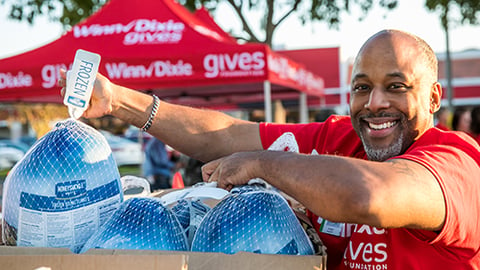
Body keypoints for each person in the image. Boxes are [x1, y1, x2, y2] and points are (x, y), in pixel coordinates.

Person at [59, 29, 480, 269]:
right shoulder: (338, 141)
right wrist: (118, 100)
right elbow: (223, 135)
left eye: (396, 87)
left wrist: (262, 163)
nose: (374, 104)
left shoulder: (456, 163)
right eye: (362, 88)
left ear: (433, 97)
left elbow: (370, 196)